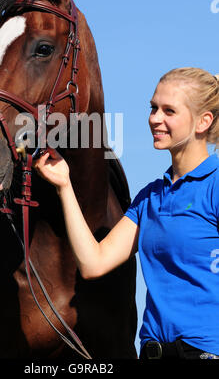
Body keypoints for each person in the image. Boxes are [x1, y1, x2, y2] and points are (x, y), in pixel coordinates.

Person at [33, 67, 219, 360]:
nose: (155, 119)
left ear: (203, 121)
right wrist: (64, 185)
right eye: (153, 108)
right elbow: (93, 262)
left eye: (169, 111)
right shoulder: (150, 197)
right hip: (151, 353)